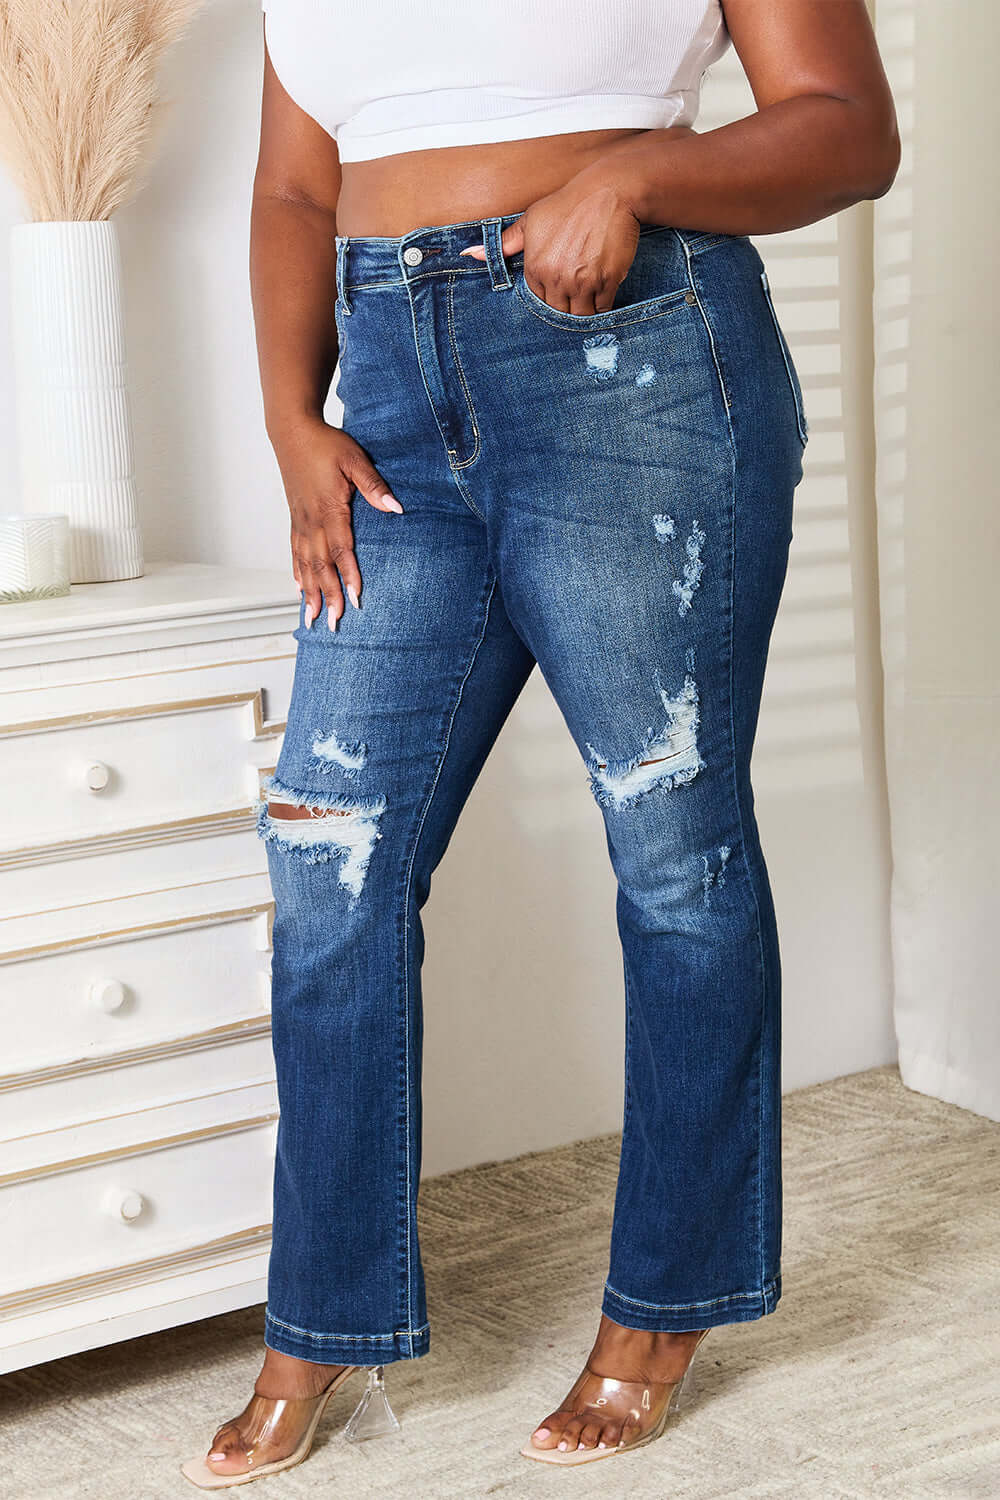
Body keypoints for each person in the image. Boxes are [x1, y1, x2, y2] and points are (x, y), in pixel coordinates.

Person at [181, 0, 899, 1485]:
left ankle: (664, 1310)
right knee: (330, 860)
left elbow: (847, 124)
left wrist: (637, 175)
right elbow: (296, 189)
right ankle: (319, 1317)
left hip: (630, 361)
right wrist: (282, 417)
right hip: (385, 391)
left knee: (675, 850)